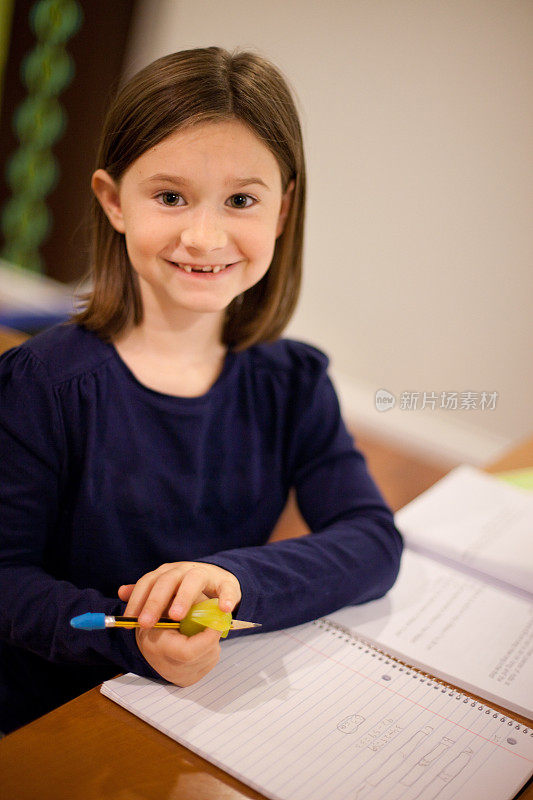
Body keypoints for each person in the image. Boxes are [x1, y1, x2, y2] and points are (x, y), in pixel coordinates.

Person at [0, 47, 402, 734]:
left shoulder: (294, 381)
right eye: (169, 196)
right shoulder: (44, 385)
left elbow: (370, 540)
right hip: (52, 709)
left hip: (204, 707)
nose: (204, 235)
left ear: (281, 212)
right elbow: (7, 580)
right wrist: (130, 638)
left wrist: (236, 580)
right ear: (112, 200)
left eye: (241, 199)